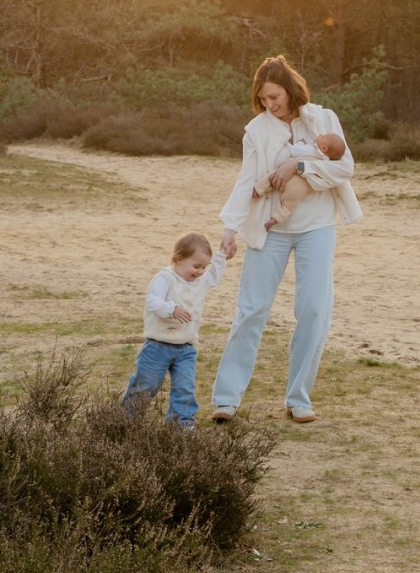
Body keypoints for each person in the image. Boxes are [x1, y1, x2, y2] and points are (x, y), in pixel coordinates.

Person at [212, 55, 361, 425]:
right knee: (251, 310)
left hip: (317, 226)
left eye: (275, 97)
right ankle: (226, 400)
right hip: (270, 230)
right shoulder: (256, 131)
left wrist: (299, 165)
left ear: (291, 90)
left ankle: (298, 398)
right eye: (263, 99)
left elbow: (344, 168)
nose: (269, 104)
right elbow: (246, 181)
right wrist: (230, 229)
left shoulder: (324, 118)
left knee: (313, 309)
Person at [122, 232, 228, 427]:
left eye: (204, 267)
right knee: (146, 384)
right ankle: (126, 419)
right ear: (178, 259)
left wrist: (222, 255)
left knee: (184, 388)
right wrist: (172, 309)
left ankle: (181, 424)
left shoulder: (200, 281)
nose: (200, 271)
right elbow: (153, 301)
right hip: (158, 345)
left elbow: (214, 276)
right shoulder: (165, 278)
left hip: (186, 347)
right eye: (196, 266)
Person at [257, 132, 347, 230]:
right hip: (301, 188)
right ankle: (275, 219)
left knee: (272, 177)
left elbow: (295, 151)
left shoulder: (312, 150)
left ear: (324, 148)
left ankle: (258, 190)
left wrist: (300, 143)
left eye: (322, 137)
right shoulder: (327, 162)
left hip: (290, 177)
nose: (320, 135)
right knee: (288, 206)